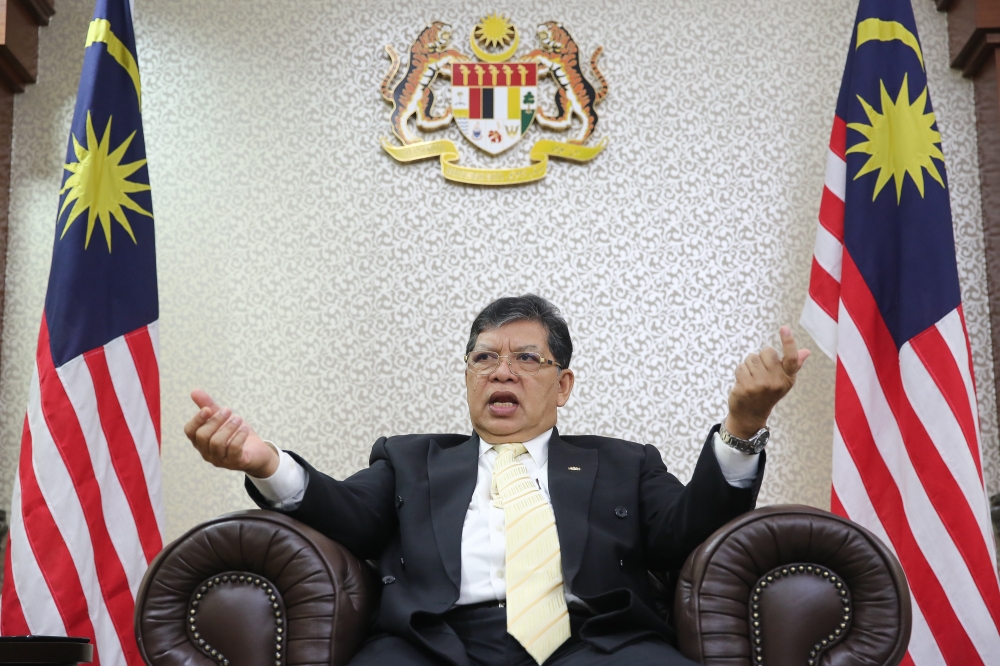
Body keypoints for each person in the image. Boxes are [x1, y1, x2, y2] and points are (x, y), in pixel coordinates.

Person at [185, 294, 809, 666]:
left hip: (595, 643)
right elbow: (346, 514)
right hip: (433, 646)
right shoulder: (410, 459)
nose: (500, 372)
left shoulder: (624, 462)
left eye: (525, 359)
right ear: (467, 378)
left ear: (563, 385)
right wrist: (266, 463)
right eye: (484, 358)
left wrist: (743, 423)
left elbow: (687, 533)